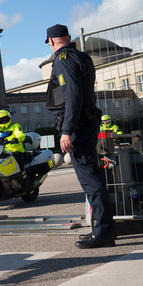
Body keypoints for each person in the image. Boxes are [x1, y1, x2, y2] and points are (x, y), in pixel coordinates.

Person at [45, 24, 114, 248]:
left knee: (91, 181)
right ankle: (101, 229)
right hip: (87, 121)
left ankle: (103, 233)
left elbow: (72, 95)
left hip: (78, 126)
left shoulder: (63, 59)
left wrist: (66, 130)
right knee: (93, 178)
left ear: (52, 41)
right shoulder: (81, 57)